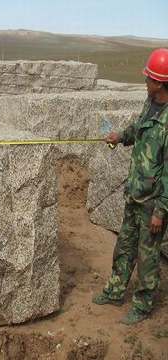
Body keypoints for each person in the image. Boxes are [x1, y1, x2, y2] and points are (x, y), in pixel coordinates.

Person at [92, 48, 168, 325]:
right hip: (134, 194)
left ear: (161, 83)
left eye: (149, 78)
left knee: (148, 257)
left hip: (153, 203)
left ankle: (143, 304)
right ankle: (114, 291)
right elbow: (137, 128)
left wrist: (161, 210)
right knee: (124, 246)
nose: (145, 82)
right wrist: (121, 136)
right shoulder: (150, 103)